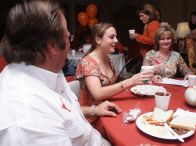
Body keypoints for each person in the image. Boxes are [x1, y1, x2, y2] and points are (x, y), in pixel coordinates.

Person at [0, 0, 121, 145]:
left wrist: (94, 110)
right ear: (52, 46)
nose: (70, 43)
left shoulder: (46, 67)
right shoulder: (27, 123)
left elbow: (65, 115)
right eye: (68, 37)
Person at [75, 22, 154, 122]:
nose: (116, 40)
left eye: (116, 37)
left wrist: (137, 82)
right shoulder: (88, 63)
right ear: (98, 40)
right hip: (93, 118)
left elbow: (113, 86)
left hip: (109, 107)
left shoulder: (108, 59)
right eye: (112, 37)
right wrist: (131, 81)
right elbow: (98, 94)